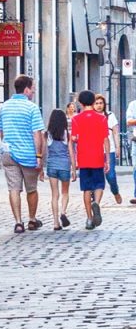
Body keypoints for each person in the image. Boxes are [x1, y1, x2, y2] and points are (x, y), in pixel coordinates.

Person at [0, 73, 45, 234]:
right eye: (32, 89)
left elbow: (1, 132)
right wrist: (39, 156)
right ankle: (31, 219)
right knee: (31, 189)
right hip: (28, 154)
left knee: (13, 189)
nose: (33, 92)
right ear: (26, 90)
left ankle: (18, 222)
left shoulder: (4, 107)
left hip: (8, 153)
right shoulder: (32, 108)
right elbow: (37, 134)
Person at [70, 89, 110, 231]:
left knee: (86, 188)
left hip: (83, 158)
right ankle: (97, 203)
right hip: (97, 157)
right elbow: (105, 140)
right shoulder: (102, 118)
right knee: (99, 184)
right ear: (93, 102)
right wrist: (108, 160)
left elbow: (73, 140)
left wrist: (73, 165)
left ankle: (88, 218)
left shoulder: (76, 119)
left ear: (80, 103)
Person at [43, 108, 72, 230]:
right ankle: (63, 212)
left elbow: (44, 152)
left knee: (54, 194)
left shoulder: (47, 134)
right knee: (65, 192)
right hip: (64, 165)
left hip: (52, 166)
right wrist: (74, 169)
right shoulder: (66, 134)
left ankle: (55, 223)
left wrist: (40, 169)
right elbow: (71, 152)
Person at [97, 94, 121, 207]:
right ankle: (95, 200)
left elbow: (115, 133)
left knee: (110, 175)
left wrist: (117, 147)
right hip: (95, 151)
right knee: (97, 176)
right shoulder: (91, 116)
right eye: (96, 103)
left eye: (101, 103)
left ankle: (115, 191)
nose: (99, 106)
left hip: (109, 150)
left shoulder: (110, 116)